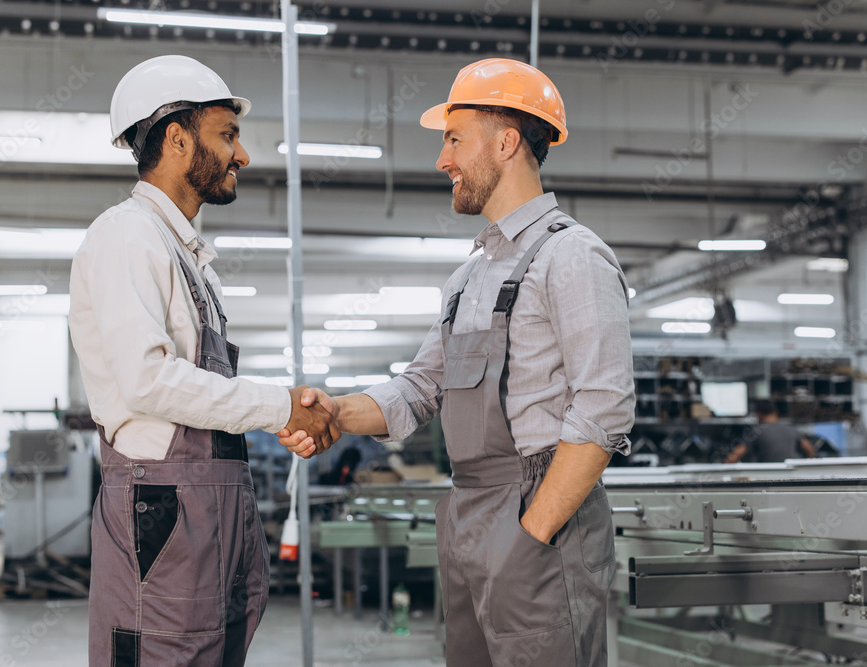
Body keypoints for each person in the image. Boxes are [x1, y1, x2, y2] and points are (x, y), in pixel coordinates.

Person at [279, 58, 635, 666]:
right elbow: (420, 388)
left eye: (453, 139)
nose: (442, 160)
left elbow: (604, 410)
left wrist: (532, 535)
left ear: (506, 142)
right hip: (469, 513)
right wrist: (336, 413)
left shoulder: (572, 257)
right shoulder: (468, 277)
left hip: (536, 515)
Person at [68, 55, 337, 667]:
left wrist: (284, 415)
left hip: (211, 517)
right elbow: (147, 380)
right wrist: (280, 407)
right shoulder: (127, 235)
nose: (242, 155)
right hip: (163, 519)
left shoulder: (186, 256)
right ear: (177, 138)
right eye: (228, 135)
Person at [725, 400, 816, 463]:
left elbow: (736, 455)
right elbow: (809, 449)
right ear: (776, 412)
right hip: (790, 476)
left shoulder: (756, 431)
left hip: (766, 478)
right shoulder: (791, 430)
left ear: (757, 414)